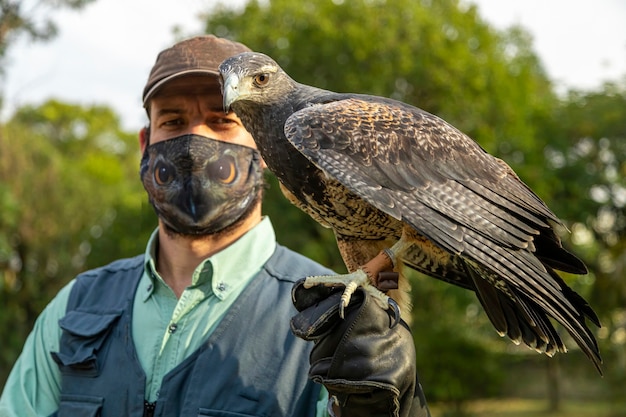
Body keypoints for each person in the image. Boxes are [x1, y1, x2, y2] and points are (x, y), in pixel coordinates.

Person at [0, 35, 429, 417]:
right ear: (145, 144)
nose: (194, 142)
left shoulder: (331, 309)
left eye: (223, 121)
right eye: (172, 120)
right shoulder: (73, 308)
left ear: (263, 147)